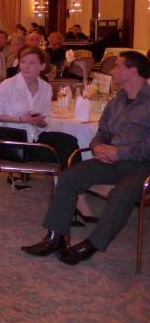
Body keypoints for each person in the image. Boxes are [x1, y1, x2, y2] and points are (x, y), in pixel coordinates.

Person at [21, 51, 150, 265]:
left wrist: (119, 152)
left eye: (117, 66)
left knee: (121, 195)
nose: (112, 70)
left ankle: (91, 245)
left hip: (142, 166)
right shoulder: (117, 101)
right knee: (68, 177)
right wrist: (97, 146)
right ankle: (55, 237)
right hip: (111, 160)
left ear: (132, 71)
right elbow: (103, 131)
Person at [0, 47, 78, 178]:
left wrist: (39, 121)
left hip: (34, 135)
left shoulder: (45, 88)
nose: (26, 66)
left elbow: (45, 121)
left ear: (42, 66)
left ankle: (69, 183)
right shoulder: (8, 85)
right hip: (12, 139)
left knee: (69, 142)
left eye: (31, 63)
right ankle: (68, 184)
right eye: (23, 62)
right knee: (61, 155)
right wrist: (20, 119)